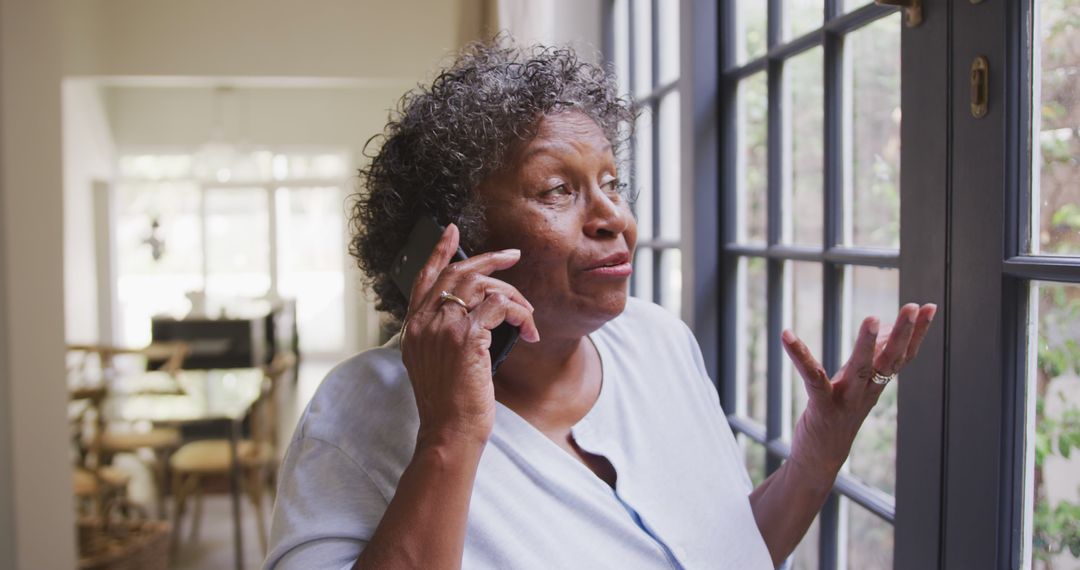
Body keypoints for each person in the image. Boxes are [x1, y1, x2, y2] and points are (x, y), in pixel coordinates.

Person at [264, 40, 936, 569]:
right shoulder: (356, 416)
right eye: (558, 189)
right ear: (451, 241)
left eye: (612, 182)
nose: (615, 217)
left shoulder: (659, 342)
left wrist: (817, 455)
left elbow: (732, 552)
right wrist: (449, 434)